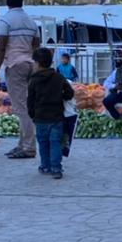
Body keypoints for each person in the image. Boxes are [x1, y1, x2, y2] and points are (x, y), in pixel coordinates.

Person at [0, 0, 41, 160]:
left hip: (15, 65)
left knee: (21, 108)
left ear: (8, 2)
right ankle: (22, 144)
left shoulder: (5, 21)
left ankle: (29, 147)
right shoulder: (31, 22)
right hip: (31, 64)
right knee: (27, 106)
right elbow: (37, 45)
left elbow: (0, 48)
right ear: (22, 1)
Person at [27, 46, 74, 179]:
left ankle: (45, 166)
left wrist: (32, 114)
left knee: (43, 143)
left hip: (40, 117)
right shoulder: (58, 77)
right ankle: (56, 168)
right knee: (55, 142)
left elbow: (30, 100)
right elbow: (70, 93)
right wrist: (62, 97)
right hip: (57, 117)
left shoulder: (34, 80)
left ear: (37, 63)